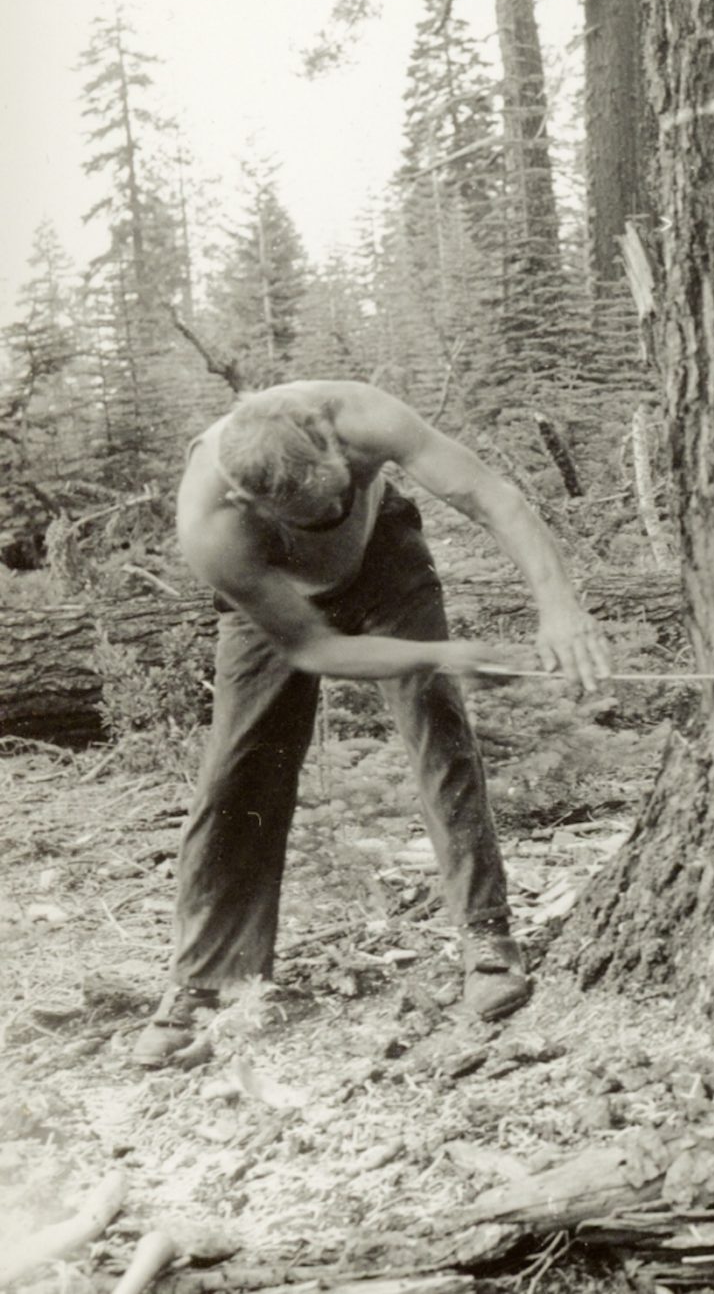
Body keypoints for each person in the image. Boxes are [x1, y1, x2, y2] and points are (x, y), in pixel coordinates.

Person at [133, 380, 612, 1067]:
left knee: (436, 720)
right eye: (309, 513)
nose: (330, 510)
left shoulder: (360, 415)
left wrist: (560, 605)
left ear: (332, 440)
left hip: (385, 558)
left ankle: (486, 936)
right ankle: (206, 982)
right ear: (250, 502)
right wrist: (439, 653)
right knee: (238, 773)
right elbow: (316, 648)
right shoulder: (214, 525)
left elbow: (490, 496)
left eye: (336, 493)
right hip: (275, 601)